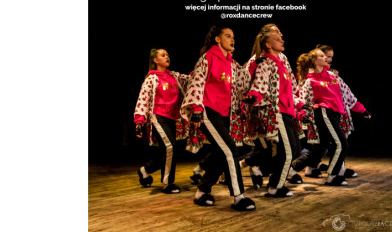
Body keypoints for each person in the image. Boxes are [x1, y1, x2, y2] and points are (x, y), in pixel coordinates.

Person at [181, 25, 256, 211]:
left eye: (233, 37)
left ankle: (202, 191)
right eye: (228, 36)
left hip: (225, 114)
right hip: (208, 111)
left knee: (220, 153)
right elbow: (197, 81)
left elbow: (242, 82)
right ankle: (239, 197)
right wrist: (197, 109)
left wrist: (255, 66)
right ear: (217, 39)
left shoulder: (232, 63)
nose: (232, 40)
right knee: (230, 150)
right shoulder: (208, 57)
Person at [242, 24, 315, 197]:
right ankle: (275, 186)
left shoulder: (282, 60)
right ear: (268, 44)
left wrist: (299, 104)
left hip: (288, 112)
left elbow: (291, 89)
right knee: (286, 151)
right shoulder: (264, 62)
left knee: (295, 150)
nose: (282, 39)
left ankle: (261, 171)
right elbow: (258, 86)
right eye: (277, 38)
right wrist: (253, 96)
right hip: (276, 112)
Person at [292, 48, 370, 186]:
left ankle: (292, 168)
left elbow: (347, 94)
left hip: (336, 114)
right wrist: (303, 115)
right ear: (314, 61)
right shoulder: (310, 80)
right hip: (324, 113)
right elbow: (302, 100)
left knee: (320, 147)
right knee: (341, 143)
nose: (326, 58)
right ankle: (333, 176)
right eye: (322, 56)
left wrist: (362, 110)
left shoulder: (333, 76)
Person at [133, 49, 191, 194]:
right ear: (155, 60)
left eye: (168, 55)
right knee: (170, 147)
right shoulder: (152, 78)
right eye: (163, 55)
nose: (167, 57)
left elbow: (192, 79)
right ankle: (168, 183)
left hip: (172, 118)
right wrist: (139, 121)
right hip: (158, 117)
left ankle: (145, 170)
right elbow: (143, 99)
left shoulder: (175, 76)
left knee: (168, 151)